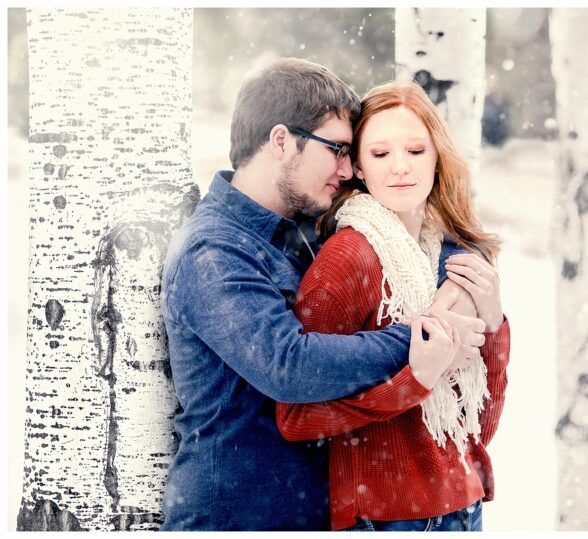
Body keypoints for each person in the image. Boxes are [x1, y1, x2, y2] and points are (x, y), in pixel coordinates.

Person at [159, 59, 487, 531]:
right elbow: (289, 365)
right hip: (236, 520)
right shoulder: (213, 249)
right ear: (280, 141)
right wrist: (425, 335)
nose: (346, 168)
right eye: (337, 150)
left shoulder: (305, 231)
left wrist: (477, 303)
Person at [276, 82, 511, 532]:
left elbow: (476, 429)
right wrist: (414, 381)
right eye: (380, 154)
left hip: (465, 509)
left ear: (438, 157)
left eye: (416, 150)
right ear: (358, 168)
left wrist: (494, 323)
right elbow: (296, 418)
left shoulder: (451, 256)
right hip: (386, 519)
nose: (401, 166)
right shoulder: (347, 259)